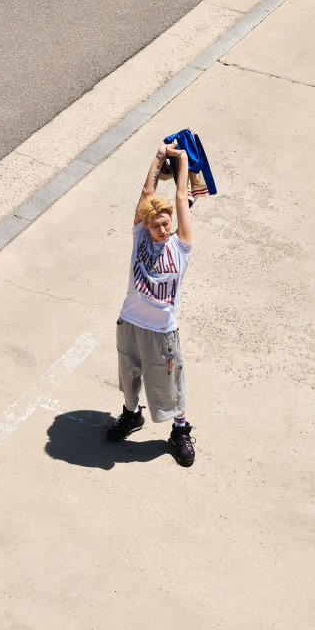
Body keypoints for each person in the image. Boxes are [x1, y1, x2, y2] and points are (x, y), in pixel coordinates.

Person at [107, 139, 196, 466]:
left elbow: (180, 198)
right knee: (129, 378)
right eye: (156, 224)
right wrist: (159, 156)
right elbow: (147, 195)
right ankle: (132, 415)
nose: (162, 228)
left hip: (161, 331)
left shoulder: (180, 246)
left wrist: (182, 160)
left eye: (165, 223)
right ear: (145, 225)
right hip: (130, 323)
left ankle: (180, 430)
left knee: (171, 385)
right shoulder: (140, 237)